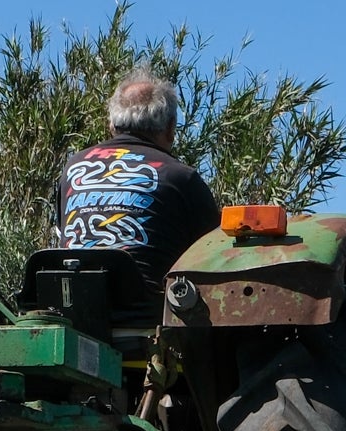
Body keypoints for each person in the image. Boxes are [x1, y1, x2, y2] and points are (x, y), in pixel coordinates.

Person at [49, 70, 220, 302]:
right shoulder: (181, 177)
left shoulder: (73, 166)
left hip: (71, 303)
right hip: (144, 311)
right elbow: (213, 255)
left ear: (111, 125)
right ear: (170, 129)